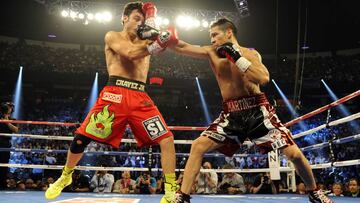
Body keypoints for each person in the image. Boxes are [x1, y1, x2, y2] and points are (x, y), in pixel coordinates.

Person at [170, 17, 333, 203]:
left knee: (294, 154)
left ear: (229, 32)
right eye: (211, 36)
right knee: (198, 146)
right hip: (231, 114)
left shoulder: (250, 53)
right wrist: (164, 36)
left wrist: (237, 57)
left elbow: (263, 78)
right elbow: (181, 47)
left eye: (215, 35)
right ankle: (183, 196)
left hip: (257, 110)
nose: (212, 39)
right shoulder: (211, 52)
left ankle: (314, 192)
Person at [45, 1, 179, 202]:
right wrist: (158, 42)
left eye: (142, 20)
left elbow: (163, 41)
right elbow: (131, 54)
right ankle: (65, 176)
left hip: (140, 97)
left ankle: (170, 191)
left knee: (166, 139)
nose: (139, 24)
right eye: (135, 19)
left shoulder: (146, 42)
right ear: (124, 18)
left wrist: (157, 34)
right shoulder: (112, 36)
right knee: (81, 139)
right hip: (114, 93)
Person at [0, 102, 18, 189]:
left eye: (10, 107)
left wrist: (7, 122)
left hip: (6, 143)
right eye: (8, 107)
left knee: (4, 164)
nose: (9, 109)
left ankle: (2, 184)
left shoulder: (13, 119)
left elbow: (16, 130)